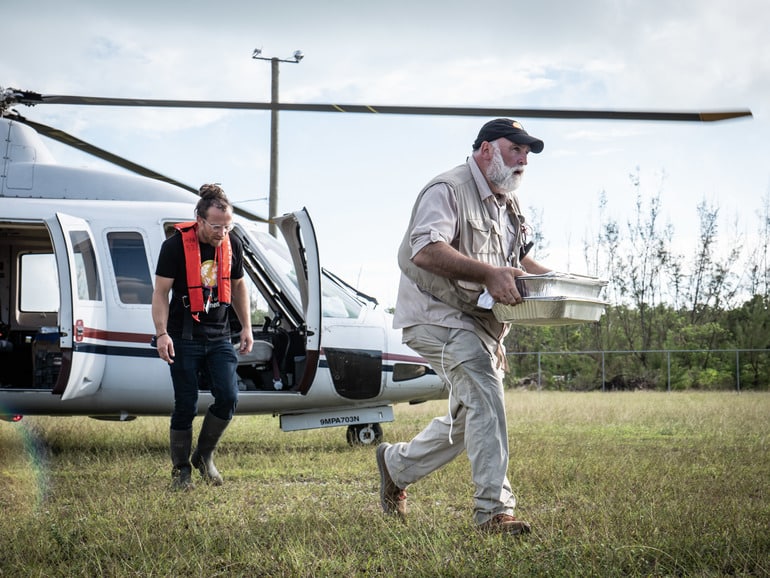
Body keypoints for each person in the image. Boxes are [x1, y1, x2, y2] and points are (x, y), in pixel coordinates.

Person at [377, 119, 551, 535]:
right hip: (435, 317)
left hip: (479, 325)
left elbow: (518, 261)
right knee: (486, 397)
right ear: (487, 149)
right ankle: (494, 511)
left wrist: (563, 285)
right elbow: (424, 249)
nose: (523, 160)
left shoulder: (507, 203)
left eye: (527, 154)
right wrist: (489, 274)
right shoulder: (448, 189)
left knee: (468, 417)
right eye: (516, 150)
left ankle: (394, 465)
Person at [152, 183, 253, 490]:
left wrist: (246, 326)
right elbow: (160, 293)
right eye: (216, 226)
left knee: (228, 397)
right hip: (183, 335)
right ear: (199, 219)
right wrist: (161, 334)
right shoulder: (174, 246)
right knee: (186, 403)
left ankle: (203, 457)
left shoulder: (231, 243)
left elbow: (238, 287)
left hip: (220, 334)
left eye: (227, 226)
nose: (222, 232)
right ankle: (181, 470)